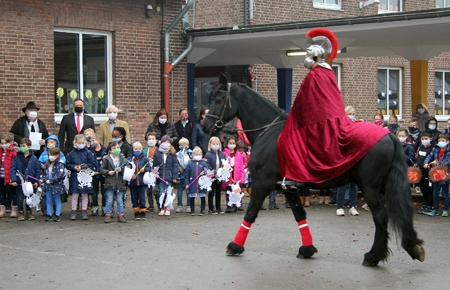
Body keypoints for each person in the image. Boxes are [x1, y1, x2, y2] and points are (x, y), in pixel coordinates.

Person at [277, 28, 388, 187]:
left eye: (309, 56)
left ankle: (297, 177)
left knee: (290, 140)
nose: (307, 59)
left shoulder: (315, 74)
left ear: (314, 57)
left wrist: (296, 114)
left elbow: (304, 101)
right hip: (333, 115)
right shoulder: (328, 72)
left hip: (323, 119)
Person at [66, 134, 96, 220]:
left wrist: (82, 167)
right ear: (75, 143)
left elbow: (91, 163)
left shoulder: (88, 153)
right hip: (75, 176)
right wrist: (73, 167)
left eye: (83, 142)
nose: (81, 144)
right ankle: (74, 211)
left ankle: (84, 210)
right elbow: (67, 164)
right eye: (79, 143)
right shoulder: (71, 153)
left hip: (85, 176)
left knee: (84, 194)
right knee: (75, 194)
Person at [10, 138, 40, 221]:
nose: (22, 147)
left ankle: (29, 212)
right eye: (21, 146)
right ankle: (20, 212)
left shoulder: (33, 158)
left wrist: (37, 181)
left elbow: (37, 170)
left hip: (30, 182)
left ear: (29, 147)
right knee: (19, 197)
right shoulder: (16, 157)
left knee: (29, 197)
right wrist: (14, 180)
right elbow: (13, 169)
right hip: (20, 182)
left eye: (24, 146)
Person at [424, 133, 450, 217]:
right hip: (435, 175)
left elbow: (447, 161)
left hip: (445, 175)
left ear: (448, 142)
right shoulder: (435, 149)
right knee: (435, 193)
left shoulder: (449, 151)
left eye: (443, 141)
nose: (440, 142)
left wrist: (437, 164)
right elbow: (430, 156)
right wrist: (426, 162)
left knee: (445, 193)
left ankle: (446, 210)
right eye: (439, 140)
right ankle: (435, 209)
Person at [100, 142, 127, 223]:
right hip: (110, 183)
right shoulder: (107, 159)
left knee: (120, 200)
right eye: (114, 148)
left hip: (120, 183)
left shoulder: (123, 159)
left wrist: (121, 170)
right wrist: (108, 172)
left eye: (118, 147)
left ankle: (121, 215)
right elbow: (102, 169)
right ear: (110, 150)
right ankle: (108, 214)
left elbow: (128, 168)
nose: (116, 149)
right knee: (109, 200)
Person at [152, 135, 179, 216]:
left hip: (169, 177)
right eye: (165, 142)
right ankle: (162, 207)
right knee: (161, 192)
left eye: (168, 142)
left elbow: (175, 166)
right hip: (160, 177)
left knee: (168, 193)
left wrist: (174, 177)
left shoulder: (172, 153)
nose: (166, 143)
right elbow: (155, 165)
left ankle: (167, 208)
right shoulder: (157, 153)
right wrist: (155, 173)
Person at [41, 147, 66, 222]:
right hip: (48, 185)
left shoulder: (60, 164)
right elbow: (44, 173)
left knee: (57, 199)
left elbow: (60, 175)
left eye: (52, 155)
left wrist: (51, 180)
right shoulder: (47, 164)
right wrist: (45, 180)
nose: (50, 157)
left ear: (57, 155)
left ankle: (57, 214)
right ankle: (49, 214)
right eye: (49, 155)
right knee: (48, 199)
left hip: (57, 185)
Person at [184, 146, 210, 216]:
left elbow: (208, 171)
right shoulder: (190, 164)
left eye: (199, 154)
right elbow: (186, 174)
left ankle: (202, 210)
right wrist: (186, 183)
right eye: (196, 154)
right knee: (192, 197)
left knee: (202, 197)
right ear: (193, 155)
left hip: (201, 185)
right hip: (192, 184)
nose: (197, 156)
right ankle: (192, 210)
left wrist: (204, 172)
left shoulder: (204, 163)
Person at [204, 136, 226, 215]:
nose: (215, 145)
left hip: (219, 176)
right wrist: (214, 173)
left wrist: (222, 172)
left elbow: (224, 164)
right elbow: (207, 165)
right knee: (211, 192)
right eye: (214, 144)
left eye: (217, 144)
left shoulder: (222, 154)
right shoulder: (208, 154)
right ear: (210, 145)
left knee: (218, 192)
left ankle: (218, 207)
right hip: (211, 176)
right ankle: (211, 208)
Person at [223, 136, 245, 213]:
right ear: (227, 144)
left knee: (236, 191)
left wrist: (242, 177)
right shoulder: (224, 153)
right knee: (228, 191)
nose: (232, 145)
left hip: (236, 176)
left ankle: (235, 205)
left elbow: (241, 166)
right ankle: (228, 206)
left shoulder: (239, 154)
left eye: (233, 143)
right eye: (230, 143)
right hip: (228, 175)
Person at [129, 141, 149, 220]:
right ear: (133, 150)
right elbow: (127, 169)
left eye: (139, 149)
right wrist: (131, 175)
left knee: (142, 197)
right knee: (134, 197)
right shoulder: (130, 159)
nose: (137, 150)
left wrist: (144, 170)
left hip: (142, 182)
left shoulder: (144, 159)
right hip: (133, 182)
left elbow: (148, 168)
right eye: (136, 149)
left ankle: (143, 211)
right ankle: (136, 211)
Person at [415, 131, 434, 214]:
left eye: (426, 139)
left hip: (428, 172)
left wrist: (428, 164)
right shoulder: (420, 147)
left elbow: (432, 159)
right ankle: (425, 203)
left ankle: (430, 205)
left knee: (428, 189)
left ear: (430, 139)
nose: (424, 140)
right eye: (422, 139)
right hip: (420, 172)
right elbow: (419, 158)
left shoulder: (432, 148)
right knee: (423, 188)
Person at [89, 133, 107, 216]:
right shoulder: (90, 151)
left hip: (104, 174)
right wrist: (93, 170)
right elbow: (89, 162)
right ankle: (95, 207)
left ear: (98, 141)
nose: (92, 142)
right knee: (94, 192)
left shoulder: (105, 150)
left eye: (93, 140)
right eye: (91, 141)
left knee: (104, 192)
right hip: (94, 174)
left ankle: (104, 207)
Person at [0, 133, 17, 218]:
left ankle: (14, 209)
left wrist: (13, 177)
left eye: (5, 143)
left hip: (10, 176)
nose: (3, 145)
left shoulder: (13, 152)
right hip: (1, 175)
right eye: (2, 143)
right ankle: (2, 209)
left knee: (13, 193)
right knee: (2, 193)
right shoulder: (0, 151)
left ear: (11, 142)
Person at [175, 137, 193, 213]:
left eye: (185, 144)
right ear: (179, 146)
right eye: (182, 145)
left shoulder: (191, 153)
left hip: (188, 176)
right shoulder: (177, 154)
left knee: (188, 191)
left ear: (188, 145)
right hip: (180, 176)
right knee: (179, 191)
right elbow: (175, 164)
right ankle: (179, 205)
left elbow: (192, 162)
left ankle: (189, 205)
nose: (184, 146)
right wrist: (180, 168)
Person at [143, 131, 159, 211]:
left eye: (153, 139)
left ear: (156, 140)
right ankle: (151, 205)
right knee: (148, 190)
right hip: (147, 172)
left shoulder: (158, 150)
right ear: (146, 141)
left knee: (155, 190)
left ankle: (159, 205)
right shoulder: (145, 151)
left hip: (156, 172)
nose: (151, 140)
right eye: (149, 139)